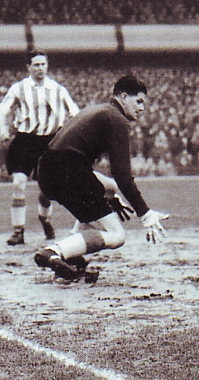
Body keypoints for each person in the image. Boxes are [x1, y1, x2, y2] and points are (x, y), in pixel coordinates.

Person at [34, 75, 169, 281]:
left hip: (49, 169)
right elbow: (123, 175)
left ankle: (72, 255)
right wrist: (145, 213)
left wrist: (110, 197)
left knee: (110, 189)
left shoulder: (99, 110)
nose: (142, 108)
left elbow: (113, 182)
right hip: (69, 172)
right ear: (124, 97)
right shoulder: (117, 119)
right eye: (139, 101)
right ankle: (54, 251)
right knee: (117, 236)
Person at [0, 51, 79, 245]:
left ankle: (45, 218)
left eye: (43, 64)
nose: (40, 68)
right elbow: (2, 110)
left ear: (47, 65)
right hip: (25, 140)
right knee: (18, 182)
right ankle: (18, 231)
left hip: (50, 142)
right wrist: (3, 129)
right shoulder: (19, 88)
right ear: (29, 67)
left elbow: (75, 113)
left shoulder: (58, 89)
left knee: (47, 191)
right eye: (36, 65)